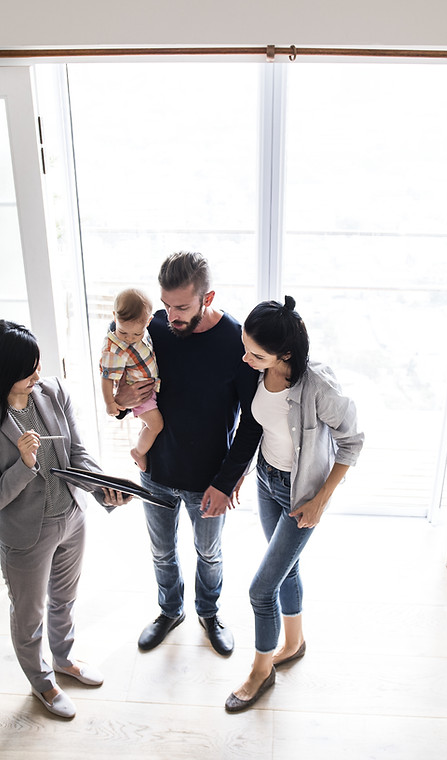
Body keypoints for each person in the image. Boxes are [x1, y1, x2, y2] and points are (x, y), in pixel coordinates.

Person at [114, 252, 262, 657]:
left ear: (207, 297)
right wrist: (122, 400)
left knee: (209, 553)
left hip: (209, 478)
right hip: (157, 470)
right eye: (165, 304)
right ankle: (170, 610)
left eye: (181, 307)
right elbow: (125, 383)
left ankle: (209, 612)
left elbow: (252, 421)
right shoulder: (153, 328)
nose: (170, 315)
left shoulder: (236, 341)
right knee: (161, 550)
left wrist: (227, 479)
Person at [224, 296, 364, 713]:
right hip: (267, 480)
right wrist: (240, 474)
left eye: (257, 353)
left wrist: (322, 499)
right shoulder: (259, 372)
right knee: (287, 570)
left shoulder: (318, 386)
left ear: (285, 353)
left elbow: (352, 441)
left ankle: (260, 672)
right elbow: (260, 429)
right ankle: (294, 642)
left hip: (300, 493)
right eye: (245, 347)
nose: (246, 359)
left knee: (260, 589)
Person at [0, 320, 130, 719]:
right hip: (25, 535)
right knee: (29, 614)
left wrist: (102, 486)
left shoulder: (52, 391)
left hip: (72, 517)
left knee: (65, 599)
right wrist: (25, 463)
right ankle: (41, 682)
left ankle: (64, 658)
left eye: (39, 364)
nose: (39, 374)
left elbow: (77, 453)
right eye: (29, 369)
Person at [100, 288, 164, 471]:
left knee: (148, 424)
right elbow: (106, 377)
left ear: (148, 321)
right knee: (156, 425)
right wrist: (110, 403)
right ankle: (138, 452)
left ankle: (141, 445)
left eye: (136, 334)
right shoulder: (115, 348)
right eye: (123, 332)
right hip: (139, 394)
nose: (129, 339)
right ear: (114, 317)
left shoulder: (145, 328)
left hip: (148, 389)